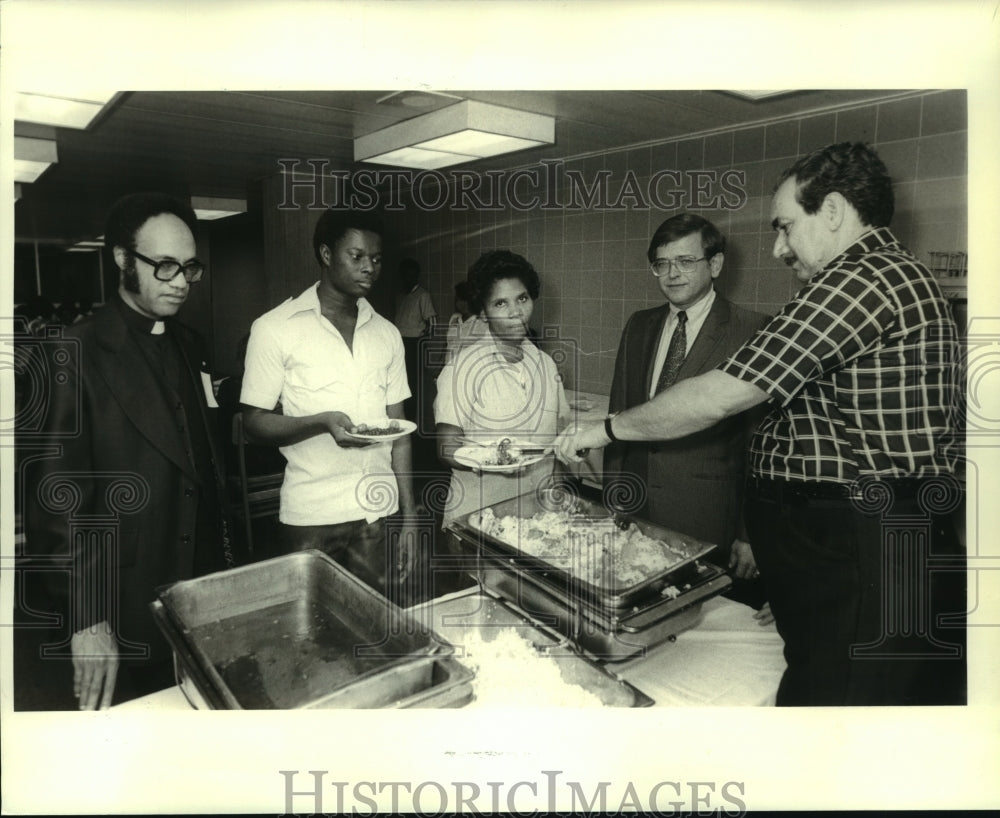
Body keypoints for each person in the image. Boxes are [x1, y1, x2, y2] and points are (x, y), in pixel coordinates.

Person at [556, 142, 965, 706]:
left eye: (785, 226)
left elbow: (720, 396)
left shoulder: (862, 280)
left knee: (834, 715)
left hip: (865, 543)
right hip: (854, 544)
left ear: (835, 211)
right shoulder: (881, 275)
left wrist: (602, 430)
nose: (777, 248)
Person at [23, 192, 232, 709]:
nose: (181, 281)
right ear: (121, 259)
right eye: (164, 266)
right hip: (125, 599)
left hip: (204, 591)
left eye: (189, 268)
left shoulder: (192, 344)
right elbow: (56, 502)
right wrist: (86, 618)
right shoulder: (74, 352)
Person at [240, 209, 421, 597]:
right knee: (312, 634)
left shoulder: (387, 334)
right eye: (356, 257)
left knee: (377, 630)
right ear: (326, 254)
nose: (369, 268)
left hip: (378, 513)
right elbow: (253, 423)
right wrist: (321, 422)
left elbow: (401, 433)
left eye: (376, 259)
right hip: (312, 516)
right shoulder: (275, 328)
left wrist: (410, 518)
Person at [605, 213, 770, 604]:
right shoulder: (639, 325)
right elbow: (619, 417)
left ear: (715, 264)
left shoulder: (753, 329)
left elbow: (761, 446)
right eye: (662, 263)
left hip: (707, 519)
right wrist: (614, 502)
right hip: (638, 512)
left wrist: (750, 534)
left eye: (685, 261)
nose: (671, 273)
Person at [435, 250, 570, 528]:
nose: (515, 312)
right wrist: (495, 459)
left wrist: (558, 492)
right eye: (500, 303)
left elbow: (558, 437)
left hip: (539, 512)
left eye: (522, 298)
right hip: (480, 515)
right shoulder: (461, 368)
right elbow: (447, 447)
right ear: (483, 313)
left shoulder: (545, 364)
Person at [443, 279, 486, 363]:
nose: (455, 302)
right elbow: (447, 345)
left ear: (466, 302)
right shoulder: (454, 319)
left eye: (457, 299)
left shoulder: (481, 324)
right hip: (449, 369)